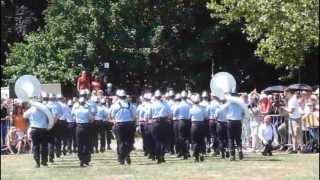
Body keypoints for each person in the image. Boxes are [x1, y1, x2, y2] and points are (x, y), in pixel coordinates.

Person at [109, 90, 136, 165]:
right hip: (128, 125)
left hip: (120, 125)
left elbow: (111, 116)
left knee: (122, 142)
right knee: (128, 142)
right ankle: (124, 156)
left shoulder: (115, 105)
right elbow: (134, 116)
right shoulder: (130, 105)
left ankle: (122, 157)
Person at [146, 90, 171, 164]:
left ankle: (158, 156)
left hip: (155, 123)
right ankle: (162, 155)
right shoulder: (166, 104)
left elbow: (148, 115)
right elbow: (169, 115)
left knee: (157, 141)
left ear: (155, 97)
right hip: (164, 123)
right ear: (161, 96)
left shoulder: (152, 105)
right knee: (164, 141)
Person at [23, 103, 49, 168]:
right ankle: (44, 161)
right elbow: (49, 116)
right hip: (43, 129)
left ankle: (37, 163)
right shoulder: (44, 108)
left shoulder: (31, 109)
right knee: (44, 146)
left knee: (35, 146)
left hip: (35, 129)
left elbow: (24, 116)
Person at [72, 97, 94, 167]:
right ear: (84, 103)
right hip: (86, 126)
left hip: (78, 127)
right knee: (87, 143)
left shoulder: (76, 110)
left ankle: (81, 159)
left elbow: (73, 117)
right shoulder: (87, 110)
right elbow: (92, 119)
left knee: (79, 144)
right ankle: (86, 159)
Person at [224, 95, 245, 161]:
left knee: (231, 138)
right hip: (238, 121)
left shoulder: (228, 103)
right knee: (238, 138)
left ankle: (232, 155)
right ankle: (240, 150)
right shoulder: (240, 104)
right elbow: (243, 113)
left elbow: (224, 111)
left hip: (230, 121)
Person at [189, 93, 207, 162]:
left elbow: (189, 117)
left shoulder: (191, 109)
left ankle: (196, 156)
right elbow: (206, 117)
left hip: (194, 125)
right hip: (201, 125)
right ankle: (202, 153)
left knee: (194, 141)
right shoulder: (203, 108)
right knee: (201, 140)